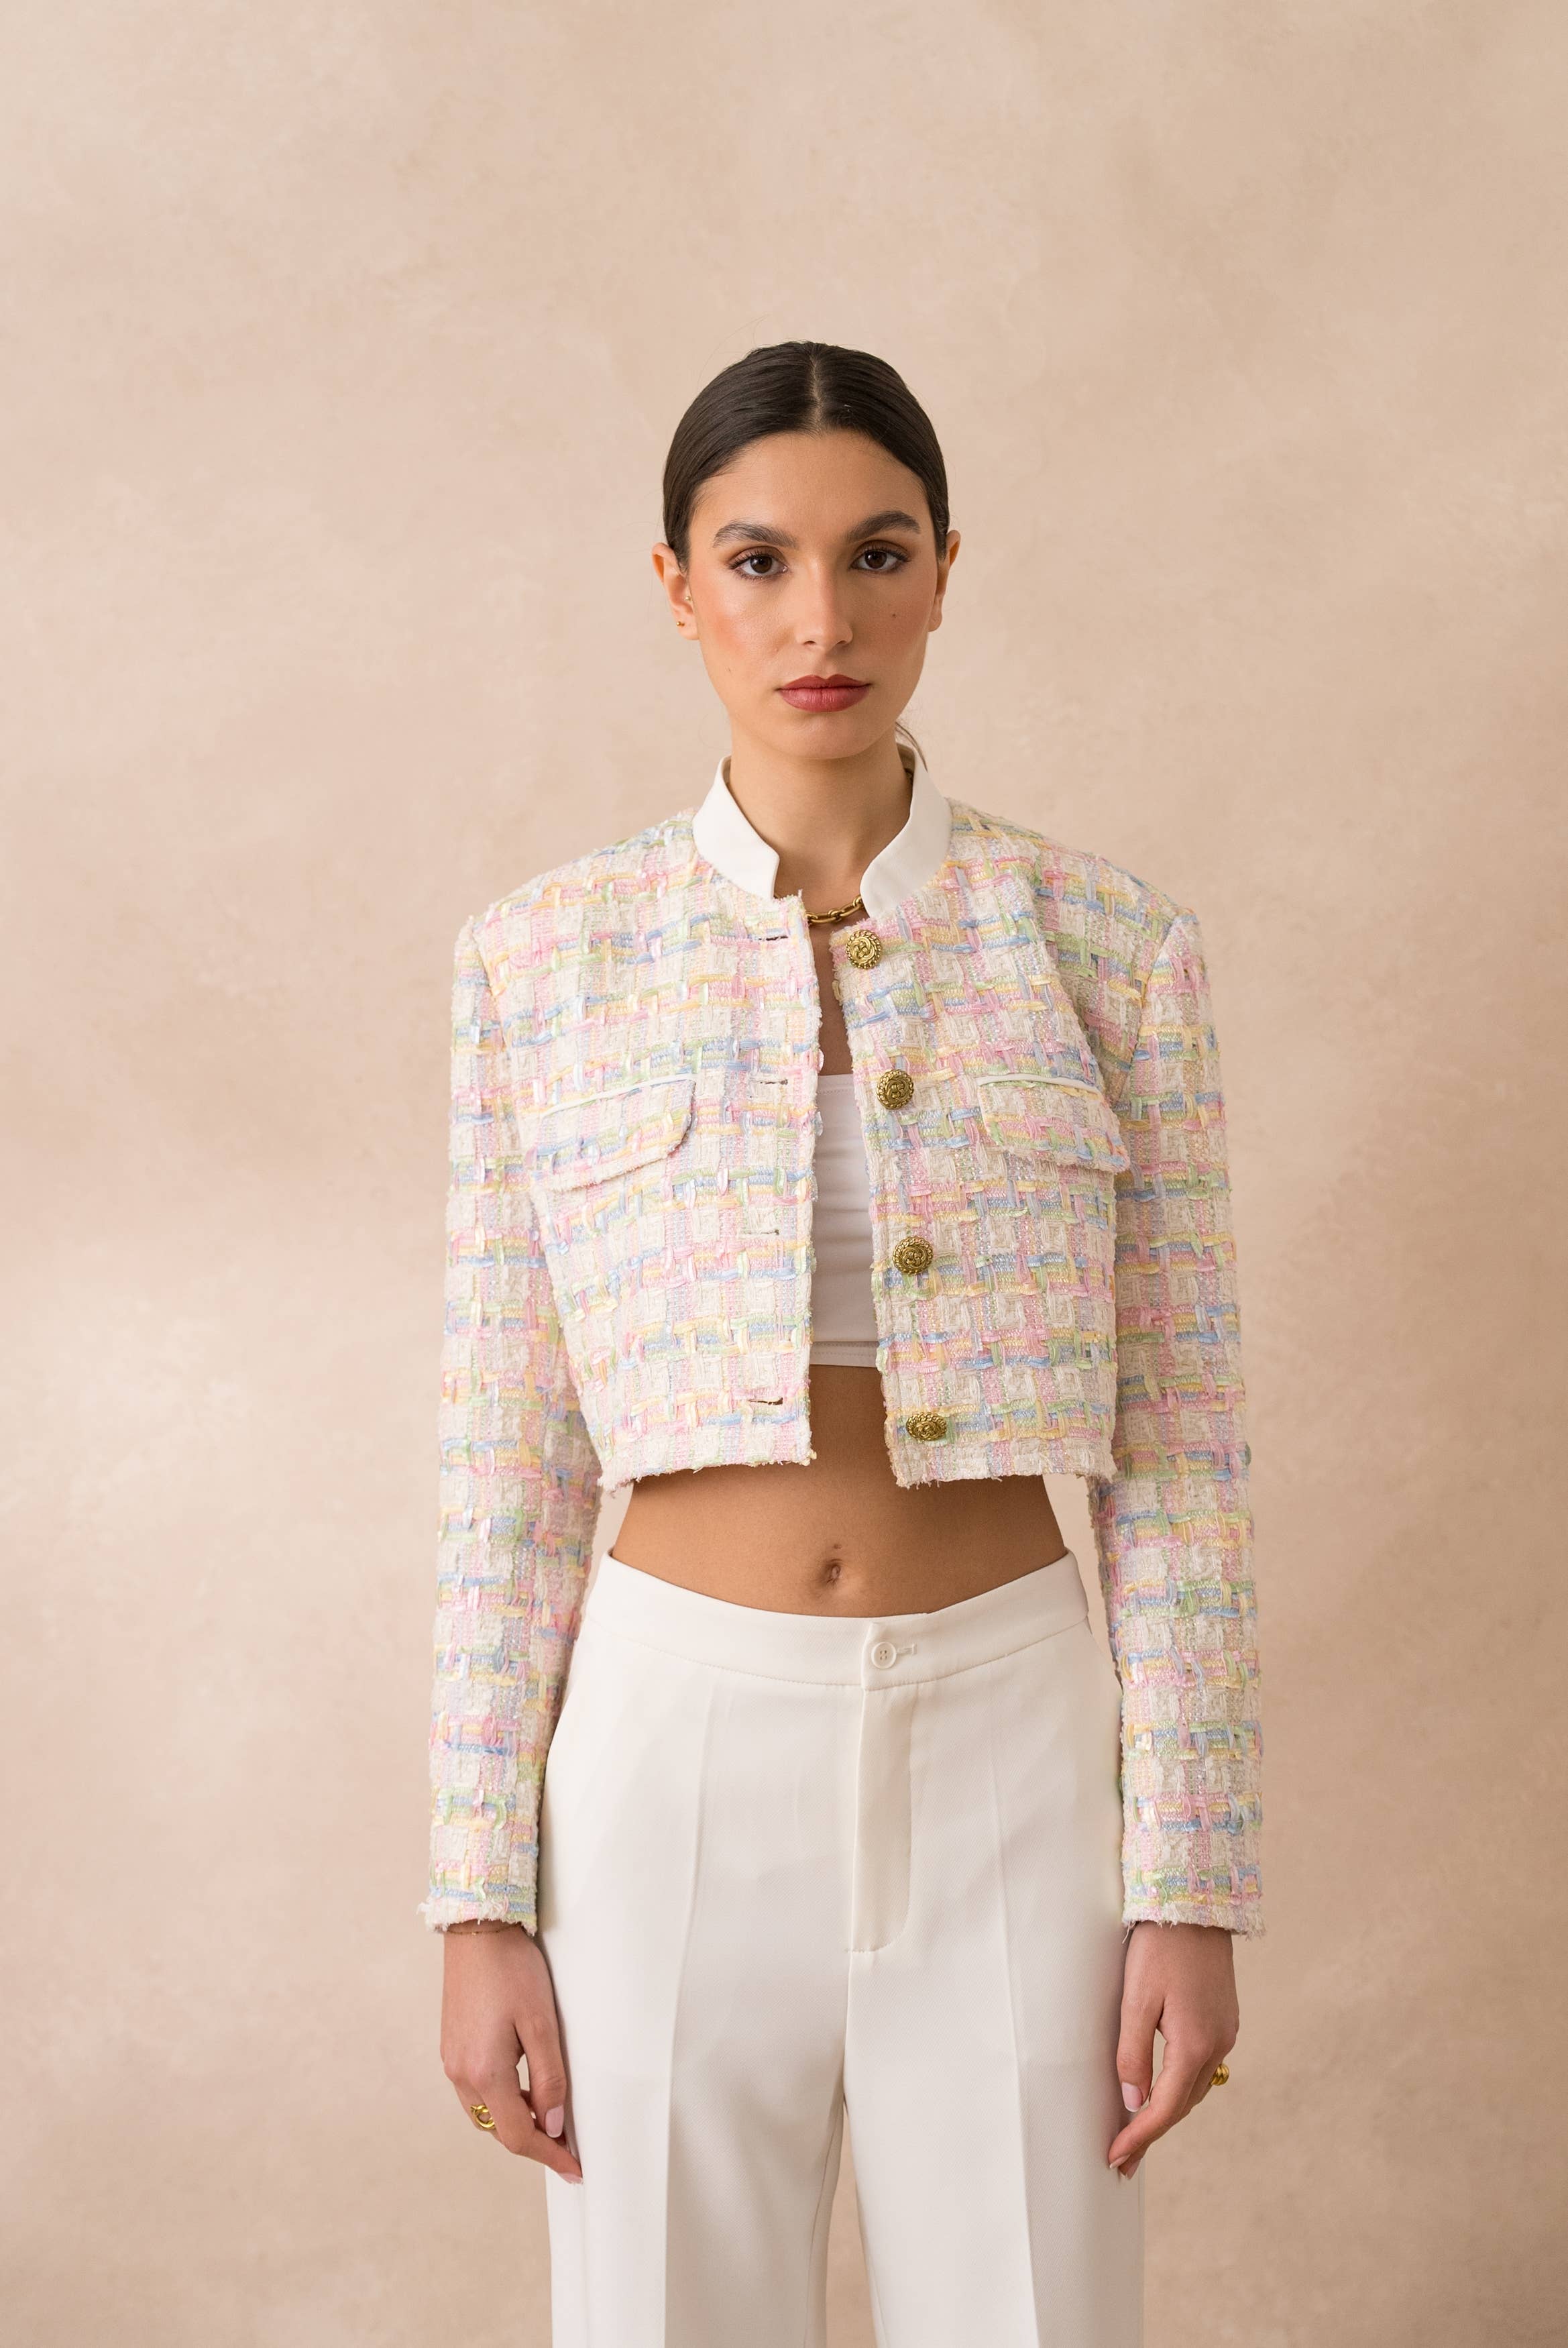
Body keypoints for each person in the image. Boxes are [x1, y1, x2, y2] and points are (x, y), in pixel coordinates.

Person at [423, 339, 1262, 2348]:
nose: (822, 620)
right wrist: (477, 1895)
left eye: (877, 554)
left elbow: (1185, 1453)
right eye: (759, 560)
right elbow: (505, 1461)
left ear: (946, 570)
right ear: (676, 584)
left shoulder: (1107, 950)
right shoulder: (542, 960)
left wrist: (1192, 1879)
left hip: (1014, 1747)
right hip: (668, 1756)